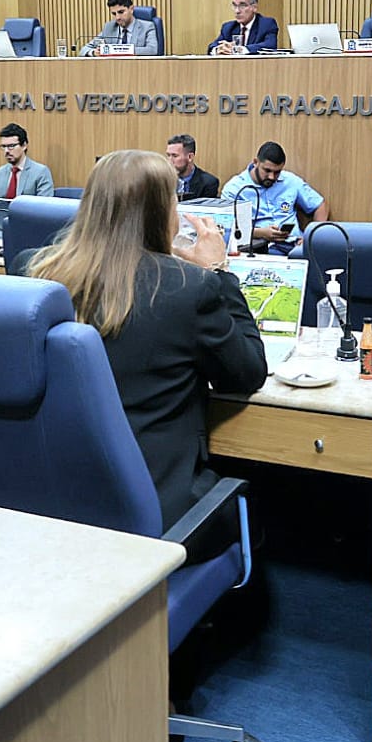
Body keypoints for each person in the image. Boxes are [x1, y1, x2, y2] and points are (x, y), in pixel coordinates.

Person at [28, 149, 267, 529]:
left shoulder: (41, 273)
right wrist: (219, 271)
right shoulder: (190, 288)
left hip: (60, 498)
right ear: (160, 211)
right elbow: (247, 373)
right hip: (157, 508)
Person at [220, 141, 329, 247]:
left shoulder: (291, 181)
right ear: (255, 162)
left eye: (277, 172)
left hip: (295, 244)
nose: (272, 177)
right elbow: (226, 227)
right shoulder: (234, 188)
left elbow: (320, 205)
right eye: (267, 170)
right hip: (260, 246)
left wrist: (312, 237)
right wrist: (260, 233)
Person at [81, 0, 159, 55]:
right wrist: (94, 52)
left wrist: (121, 50)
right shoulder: (109, 28)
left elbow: (152, 50)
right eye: (114, 14)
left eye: (121, 12)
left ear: (131, 9)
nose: (117, 17)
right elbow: (83, 50)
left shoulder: (147, 27)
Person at [0, 123, 54, 198]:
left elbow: (44, 203)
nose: (6, 151)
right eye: (4, 146)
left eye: (11, 146)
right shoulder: (0, 173)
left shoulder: (40, 172)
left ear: (24, 145)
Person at [209, 0, 279, 55]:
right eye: (234, 5)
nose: (237, 11)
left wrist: (240, 50)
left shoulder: (266, 24)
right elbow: (213, 46)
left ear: (254, 7)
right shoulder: (228, 27)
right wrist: (218, 49)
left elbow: (270, 45)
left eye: (242, 5)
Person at [166, 133, 220, 201]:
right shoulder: (162, 180)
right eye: (168, 155)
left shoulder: (208, 183)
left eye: (175, 156)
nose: (169, 161)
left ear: (190, 157)